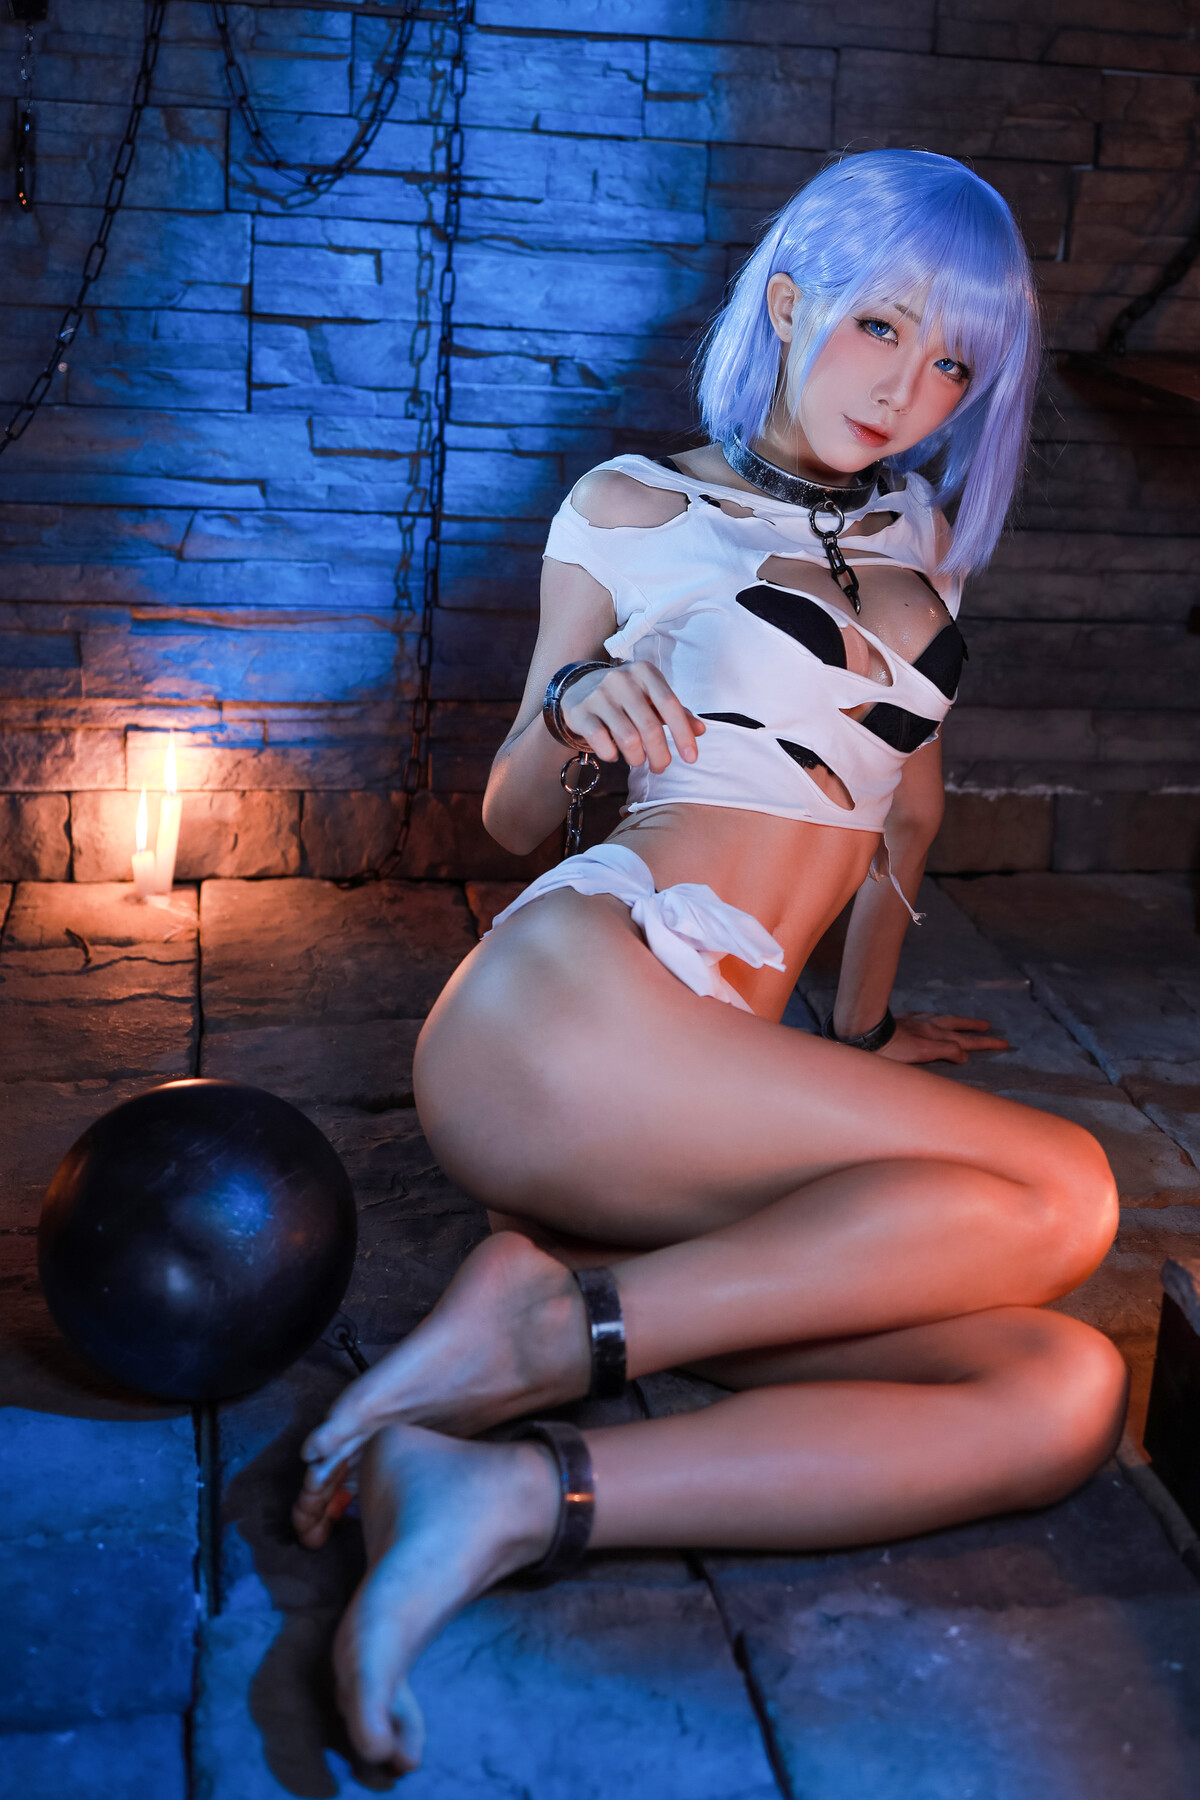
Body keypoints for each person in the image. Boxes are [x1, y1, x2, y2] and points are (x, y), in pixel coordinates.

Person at [293, 150, 1124, 1774]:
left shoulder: (923, 527)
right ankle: (542, 1336)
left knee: (1061, 1384)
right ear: (792, 301)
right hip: (573, 1010)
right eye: (881, 326)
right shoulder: (630, 506)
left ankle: (509, 1488)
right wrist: (570, 709)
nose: (907, 388)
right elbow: (513, 814)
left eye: (955, 364)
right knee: (1067, 1194)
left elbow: (906, 808)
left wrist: (858, 1041)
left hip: (691, 1115)